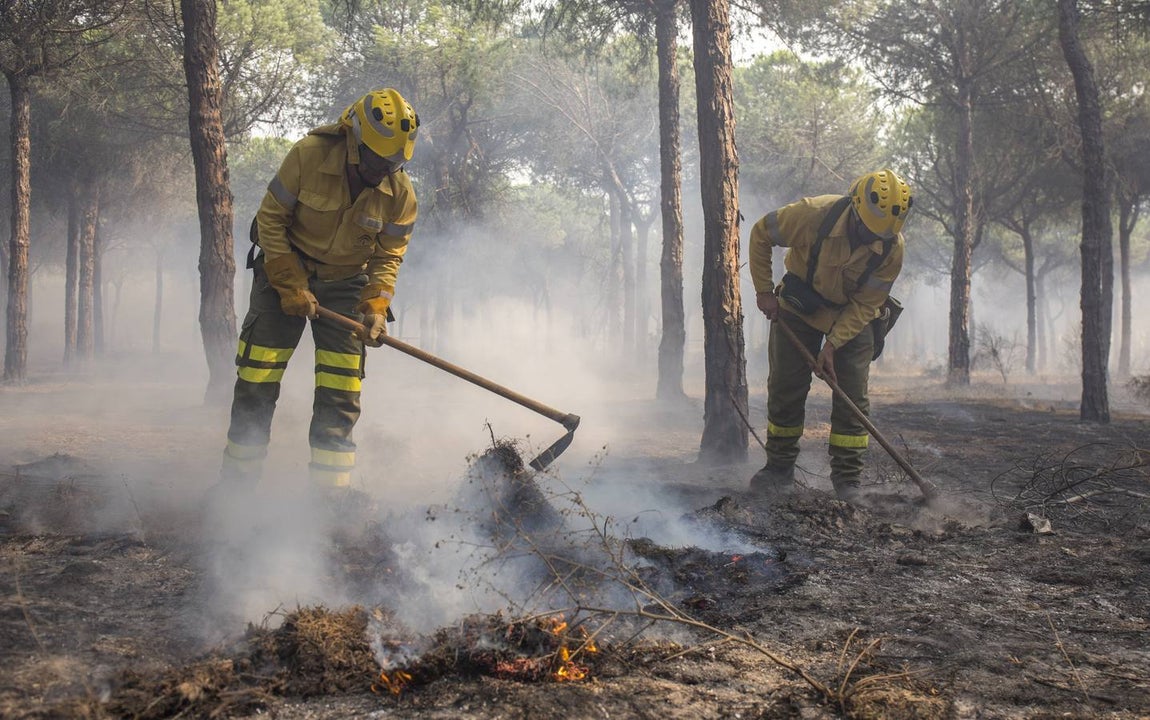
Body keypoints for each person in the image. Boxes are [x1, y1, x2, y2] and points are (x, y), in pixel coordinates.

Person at [219, 88, 420, 498]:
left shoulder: (400, 195)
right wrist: (290, 285)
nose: (384, 169)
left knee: (341, 391)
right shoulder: (307, 155)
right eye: (378, 159)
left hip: (346, 285)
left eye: (395, 162)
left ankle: (330, 502)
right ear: (355, 139)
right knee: (257, 381)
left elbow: (387, 258)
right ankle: (235, 493)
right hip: (282, 271)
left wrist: (377, 307)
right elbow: (270, 222)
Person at [747, 169, 912, 501]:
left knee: (853, 398)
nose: (871, 240)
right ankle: (778, 469)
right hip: (798, 308)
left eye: (878, 236)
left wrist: (833, 344)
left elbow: (868, 303)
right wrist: (764, 291)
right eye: (866, 230)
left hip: (853, 317)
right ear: (854, 207)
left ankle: (848, 480)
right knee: (785, 389)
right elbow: (761, 232)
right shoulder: (813, 214)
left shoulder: (891, 247)